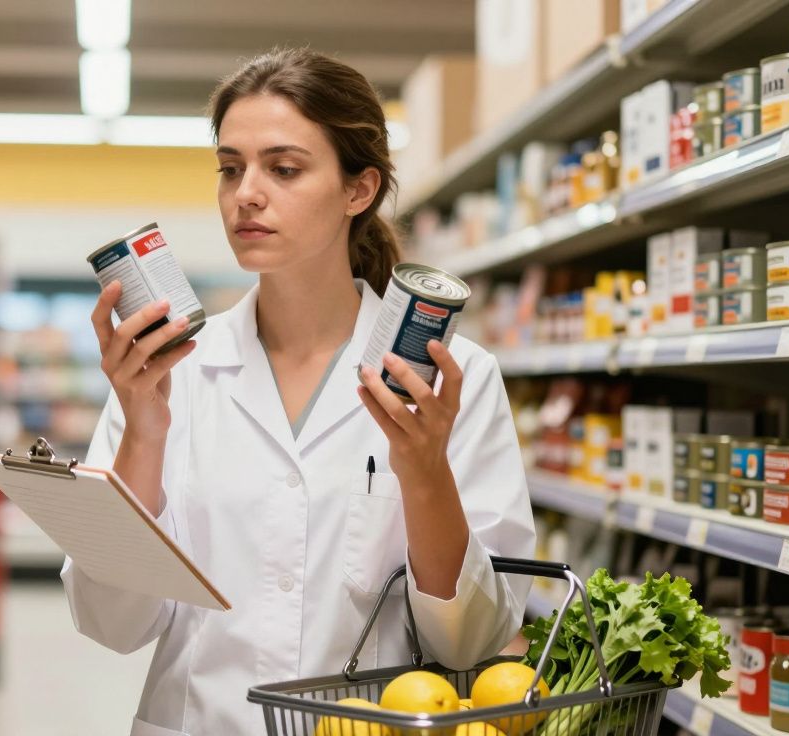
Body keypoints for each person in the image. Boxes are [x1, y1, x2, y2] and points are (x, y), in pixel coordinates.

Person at [61, 48, 535, 736]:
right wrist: (142, 433)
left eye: (283, 169)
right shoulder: (168, 374)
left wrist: (425, 472)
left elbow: (469, 643)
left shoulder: (453, 377)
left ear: (358, 190)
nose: (246, 192)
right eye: (230, 168)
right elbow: (112, 623)